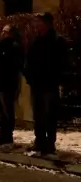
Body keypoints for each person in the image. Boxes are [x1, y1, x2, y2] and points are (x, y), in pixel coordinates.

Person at [24, 13, 68, 155]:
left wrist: (55, 79)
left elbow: (61, 64)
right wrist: (29, 75)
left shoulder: (57, 41)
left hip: (49, 84)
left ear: (47, 23)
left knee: (49, 114)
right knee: (38, 114)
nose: (36, 25)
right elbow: (29, 60)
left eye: (39, 22)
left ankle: (49, 143)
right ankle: (40, 140)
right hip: (37, 84)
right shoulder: (36, 41)